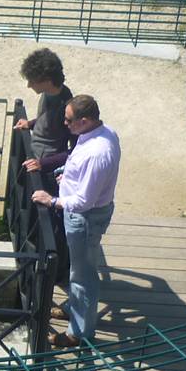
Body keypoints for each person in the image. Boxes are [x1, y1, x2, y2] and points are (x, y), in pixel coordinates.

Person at [31, 95, 120, 348]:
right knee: (78, 270)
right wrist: (67, 178)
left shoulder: (96, 153)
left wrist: (52, 200)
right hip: (88, 214)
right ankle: (74, 309)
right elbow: (84, 179)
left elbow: (84, 202)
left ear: (84, 120)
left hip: (85, 220)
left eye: (68, 120)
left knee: (83, 277)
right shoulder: (104, 133)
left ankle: (78, 334)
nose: (64, 124)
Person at [14, 48, 74, 197]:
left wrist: (43, 164)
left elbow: (75, 150)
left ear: (47, 81)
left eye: (32, 81)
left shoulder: (68, 108)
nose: (28, 85)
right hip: (33, 160)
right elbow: (47, 119)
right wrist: (31, 124)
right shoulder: (49, 93)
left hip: (45, 174)